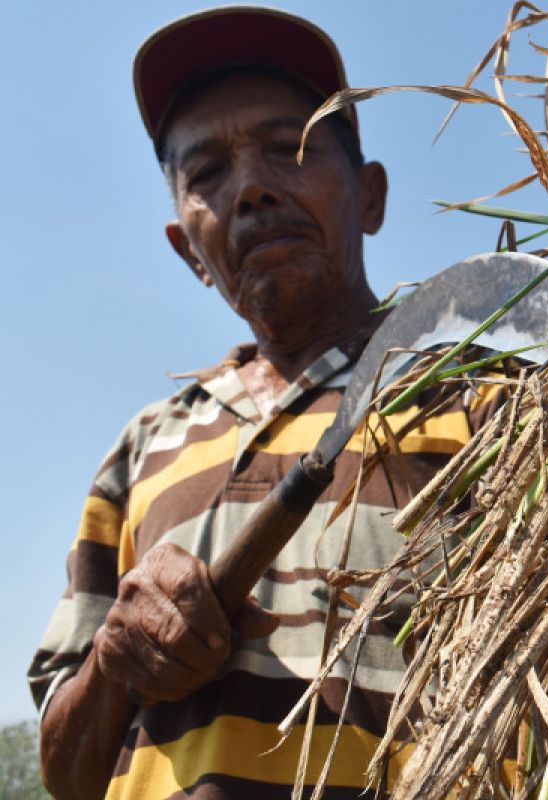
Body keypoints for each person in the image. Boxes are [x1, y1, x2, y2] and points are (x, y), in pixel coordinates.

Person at [28, 8, 501, 798]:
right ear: (189, 251)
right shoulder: (142, 448)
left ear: (372, 197)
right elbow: (66, 773)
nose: (249, 188)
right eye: (207, 172)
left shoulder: (484, 400)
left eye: (292, 148)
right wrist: (115, 661)